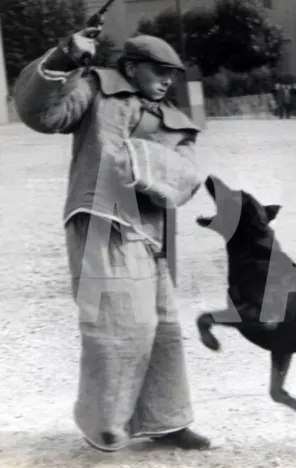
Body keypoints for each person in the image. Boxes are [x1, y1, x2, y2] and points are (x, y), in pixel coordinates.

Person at [12, 27, 210, 452]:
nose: (166, 81)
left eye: (172, 74)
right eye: (158, 71)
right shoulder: (94, 89)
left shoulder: (174, 118)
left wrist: (134, 160)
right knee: (117, 323)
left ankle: (166, 419)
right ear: (131, 67)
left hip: (151, 233)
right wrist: (66, 57)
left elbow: (188, 176)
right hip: (99, 217)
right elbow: (42, 115)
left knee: (164, 326)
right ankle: (105, 422)